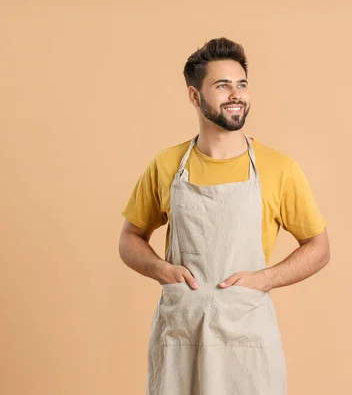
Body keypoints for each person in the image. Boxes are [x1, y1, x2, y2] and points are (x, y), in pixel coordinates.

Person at [118, 37, 330, 395]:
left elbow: (319, 247)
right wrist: (161, 269)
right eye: (222, 85)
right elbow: (129, 238)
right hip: (181, 334)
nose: (236, 94)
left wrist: (266, 279)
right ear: (194, 95)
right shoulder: (166, 166)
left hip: (246, 336)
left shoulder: (279, 168)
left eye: (242, 84)